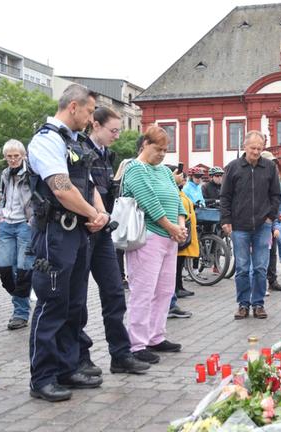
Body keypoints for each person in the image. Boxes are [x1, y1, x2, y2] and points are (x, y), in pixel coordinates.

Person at [27, 84, 107, 402]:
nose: (91, 119)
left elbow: (88, 185)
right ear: (73, 106)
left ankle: (67, 367)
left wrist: (100, 213)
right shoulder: (47, 140)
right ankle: (42, 377)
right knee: (52, 304)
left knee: (74, 305)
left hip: (78, 231)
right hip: (55, 233)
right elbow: (61, 188)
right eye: (89, 111)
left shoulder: (74, 142)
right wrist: (93, 214)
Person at [77, 107, 150, 376]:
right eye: (114, 130)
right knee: (77, 299)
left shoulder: (108, 155)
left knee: (115, 292)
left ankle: (120, 354)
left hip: (104, 230)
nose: (117, 135)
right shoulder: (80, 150)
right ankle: (80, 357)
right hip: (84, 230)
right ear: (95, 125)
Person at [121, 126, 187, 364]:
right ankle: (137, 343)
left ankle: (155, 336)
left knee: (165, 290)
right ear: (145, 144)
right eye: (158, 149)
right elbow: (149, 202)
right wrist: (172, 227)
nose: (162, 154)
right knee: (143, 291)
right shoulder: (135, 168)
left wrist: (180, 225)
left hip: (170, 238)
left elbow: (177, 199)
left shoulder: (165, 171)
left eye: (165, 150)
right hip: (147, 237)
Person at [220, 131, 281, 320]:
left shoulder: (270, 167)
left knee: (261, 268)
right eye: (253, 148)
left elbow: (276, 195)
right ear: (245, 146)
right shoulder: (233, 167)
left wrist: (270, 217)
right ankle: (243, 304)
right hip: (239, 226)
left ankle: (258, 304)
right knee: (242, 268)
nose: (256, 151)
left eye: (259, 148)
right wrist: (226, 220)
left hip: (263, 226)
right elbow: (225, 196)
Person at [0, 139, 35, 331]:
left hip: (25, 225)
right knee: (4, 268)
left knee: (23, 270)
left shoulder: (31, 173)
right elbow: (5, 195)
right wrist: (1, 215)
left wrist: (32, 219)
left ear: (23, 156)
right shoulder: (5, 173)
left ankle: (20, 313)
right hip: (6, 224)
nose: (12, 160)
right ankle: (21, 296)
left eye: (16, 156)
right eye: (9, 156)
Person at [170, 166, 195, 318]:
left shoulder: (179, 191)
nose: (183, 179)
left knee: (175, 266)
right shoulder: (173, 189)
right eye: (180, 176)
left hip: (179, 232)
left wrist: (181, 225)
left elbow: (181, 208)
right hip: (169, 233)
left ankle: (173, 298)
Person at [262, 151, 281, 292]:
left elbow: (278, 202)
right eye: (271, 162)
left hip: (272, 219)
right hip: (260, 221)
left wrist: (276, 222)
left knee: (272, 252)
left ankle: (272, 280)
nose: (274, 165)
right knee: (260, 253)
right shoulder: (259, 178)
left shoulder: (276, 179)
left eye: (274, 162)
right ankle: (260, 282)